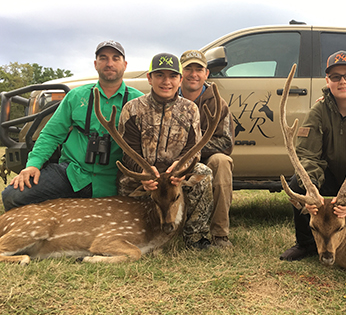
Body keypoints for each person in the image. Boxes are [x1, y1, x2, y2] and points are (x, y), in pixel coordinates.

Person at [2, 40, 144, 211]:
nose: (109, 63)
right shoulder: (76, 96)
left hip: (113, 179)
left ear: (125, 64)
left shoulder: (138, 101)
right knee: (13, 196)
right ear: (95, 64)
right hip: (73, 173)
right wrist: (34, 164)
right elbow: (51, 134)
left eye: (116, 58)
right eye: (103, 58)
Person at [280, 50, 346, 261]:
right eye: (336, 77)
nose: (343, 81)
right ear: (328, 81)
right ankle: (306, 244)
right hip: (326, 179)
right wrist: (313, 190)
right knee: (297, 185)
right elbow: (307, 155)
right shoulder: (318, 111)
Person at [117, 52, 214, 249]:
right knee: (125, 184)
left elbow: (194, 148)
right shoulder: (133, 108)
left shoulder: (190, 110)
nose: (166, 81)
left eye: (172, 76)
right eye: (160, 75)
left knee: (204, 174)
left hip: (175, 175)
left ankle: (195, 237)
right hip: (146, 177)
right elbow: (128, 151)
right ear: (149, 78)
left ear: (180, 80)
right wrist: (143, 172)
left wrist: (182, 167)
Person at [179, 50, 235, 248]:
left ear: (206, 74)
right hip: (172, 160)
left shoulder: (218, 103)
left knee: (222, 162)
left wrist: (192, 150)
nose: (193, 74)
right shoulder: (169, 99)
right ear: (180, 73)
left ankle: (219, 234)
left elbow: (226, 143)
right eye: (188, 69)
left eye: (198, 69)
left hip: (203, 158)